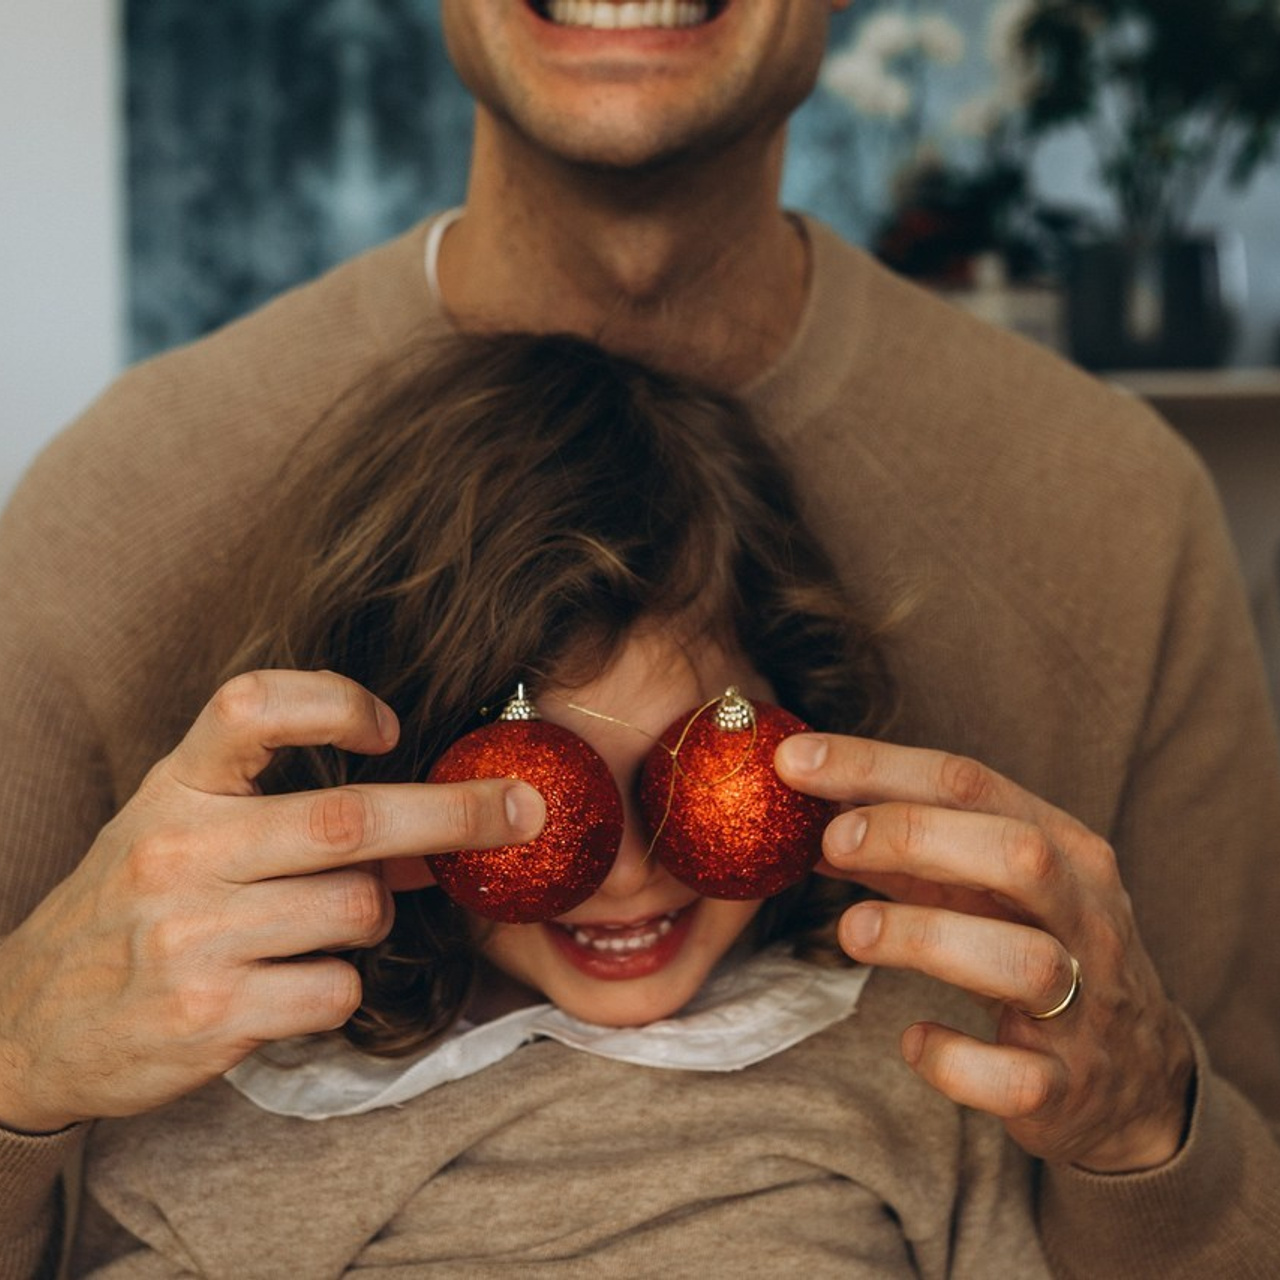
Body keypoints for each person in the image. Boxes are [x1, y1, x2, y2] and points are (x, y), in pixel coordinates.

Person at [0, 1, 1277, 1274]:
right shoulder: (107, 513)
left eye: (681, 766)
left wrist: (1146, 1129)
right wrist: (17, 1053)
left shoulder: (1123, 515)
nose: (622, 874)